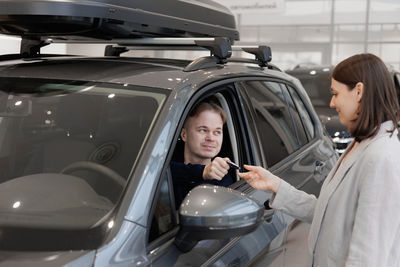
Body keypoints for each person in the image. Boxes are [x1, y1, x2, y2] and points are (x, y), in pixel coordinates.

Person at [238, 53, 400, 267]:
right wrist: (276, 185)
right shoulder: (362, 144)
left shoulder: (381, 158)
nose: (332, 103)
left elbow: (368, 256)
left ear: (359, 91)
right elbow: (328, 214)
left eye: (335, 93)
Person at [171, 100, 234, 207]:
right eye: (203, 130)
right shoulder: (165, 168)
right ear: (184, 135)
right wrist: (202, 172)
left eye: (217, 132)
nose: (211, 138)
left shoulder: (224, 182)